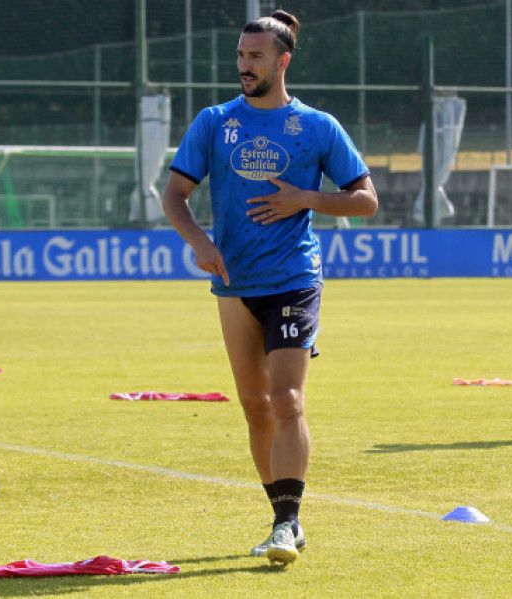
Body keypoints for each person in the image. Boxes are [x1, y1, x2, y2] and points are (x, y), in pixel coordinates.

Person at [162, 10, 378, 565]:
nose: (243, 65)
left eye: (254, 56)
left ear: (282, 61)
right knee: (255, 406)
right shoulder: (214, 122)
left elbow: (365, 200)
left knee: (286, 399)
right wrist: (199, 242)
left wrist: (303, 199)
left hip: (293, 278)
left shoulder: (318, 127)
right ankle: (282, 513)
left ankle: (287, 523)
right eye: (239, 55)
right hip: (234, 284)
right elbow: (174, 194)